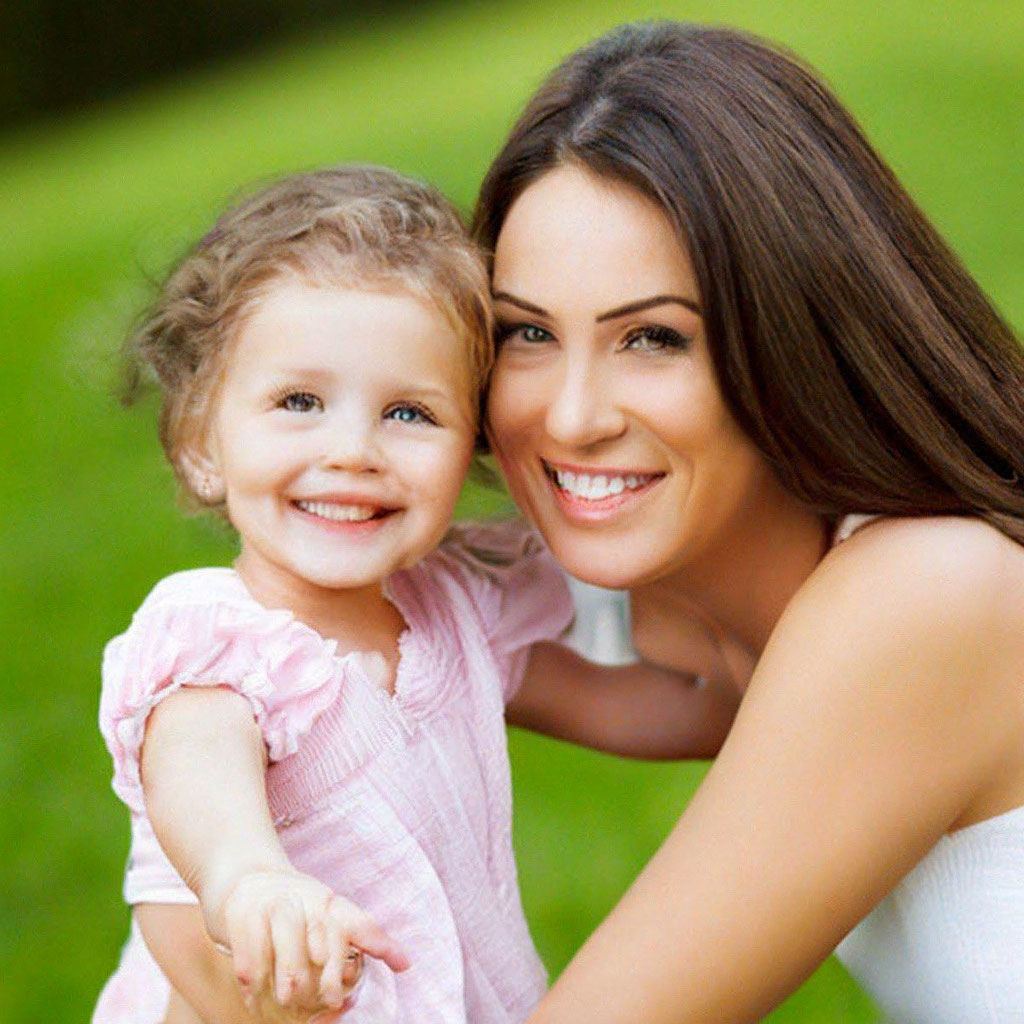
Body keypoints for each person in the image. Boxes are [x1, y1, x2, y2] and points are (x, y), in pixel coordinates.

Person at [93, 164, 737, 1024]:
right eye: (299, 401)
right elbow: (196, 768)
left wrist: (767, 698)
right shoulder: (217, 639)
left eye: (409, 414)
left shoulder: (452, 615)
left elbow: (634, 707)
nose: (353, 451)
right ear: (201, 446)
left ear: (469, 445)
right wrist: (247, 880)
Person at [473, 21, 1024, 1024]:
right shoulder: (713, 606)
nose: (572, 416)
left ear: (794, 328)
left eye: (653, 337)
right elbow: (370, 609)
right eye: (527, 332)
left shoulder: (930, 592)